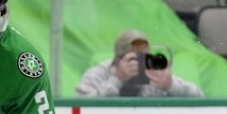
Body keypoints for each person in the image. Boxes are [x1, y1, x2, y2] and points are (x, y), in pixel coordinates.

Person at [75, 29, 204, 97]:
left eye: (145, 57)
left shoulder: (153, 74)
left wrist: (171, 85)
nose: (140, 64)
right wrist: (116, 80)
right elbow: (78, 107)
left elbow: (199, 99)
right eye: (134, 58)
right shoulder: (99, 74)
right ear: (118, 59)